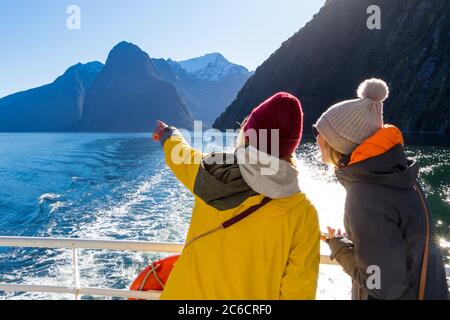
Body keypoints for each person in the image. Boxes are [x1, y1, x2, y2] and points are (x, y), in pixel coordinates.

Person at [153, 92, 320, 300]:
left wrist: (169, 135)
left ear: (248, 134)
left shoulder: (209, 171)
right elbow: (298, 294)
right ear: (290, 147)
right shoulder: (302, 214)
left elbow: (181, 156)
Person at [314, 78, 448, 300]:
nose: (317, 137)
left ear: (340, 142)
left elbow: (381, 286)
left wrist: (340, 249)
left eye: (321, 132)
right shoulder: (400, 175)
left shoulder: (365, 195)